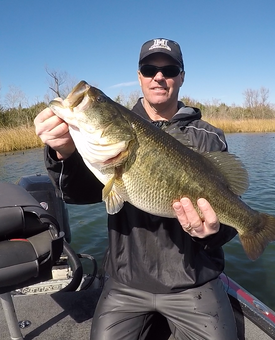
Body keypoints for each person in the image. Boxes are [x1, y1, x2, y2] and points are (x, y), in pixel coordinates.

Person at [34, 38, 238, 340]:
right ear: (139, 76)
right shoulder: (121, 130)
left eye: (169, 69)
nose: (159, 76)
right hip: (126, 281)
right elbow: (77, 193)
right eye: (149, 68)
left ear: (181, 77)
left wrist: (213, 232)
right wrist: (63, 152)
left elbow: (230, 213)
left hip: (194, 280)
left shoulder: (209, 137)